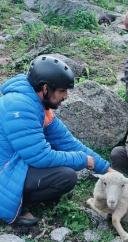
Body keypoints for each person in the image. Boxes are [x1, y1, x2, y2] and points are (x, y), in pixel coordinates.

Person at [0, 55, 111, 226]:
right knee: (65, 176)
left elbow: (67, 142)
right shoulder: (19, 106)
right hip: (5, 169)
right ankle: (14, 203)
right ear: (45, 88)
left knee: (63, 168)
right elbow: (40, 156)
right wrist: (82, 160)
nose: (66, 96)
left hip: (16, 161)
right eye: (62, 91)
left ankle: (22, 195)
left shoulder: (37, 104)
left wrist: (106, 169)